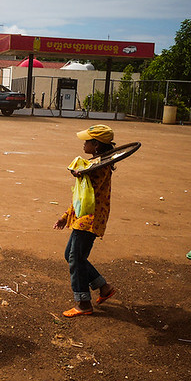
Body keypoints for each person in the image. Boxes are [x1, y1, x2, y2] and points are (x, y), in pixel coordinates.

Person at [53, 125, 118, 317]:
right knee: (71, 255)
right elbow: (80, 197)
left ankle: (83, 303)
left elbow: (87, 194)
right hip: (84, 216)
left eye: (87, 141)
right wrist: (65, 216)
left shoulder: (100, 168)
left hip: (91, 218)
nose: (84, 144)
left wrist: (81, 173)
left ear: (96, 145)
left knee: (76, 258)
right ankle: (104, 287)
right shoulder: (94, 165)